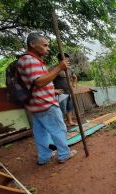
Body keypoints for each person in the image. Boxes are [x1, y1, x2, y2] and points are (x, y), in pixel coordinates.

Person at [17, 32, 77, 165]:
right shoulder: (29, 60)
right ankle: (64, 154)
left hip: (36, 103)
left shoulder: (31, 60)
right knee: (58, 128)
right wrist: (59, 68)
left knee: (41, 132)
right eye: (45, 45)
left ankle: (44, 156)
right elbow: (39, 82)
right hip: (45, 103)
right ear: (32, 44)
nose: (48, 48)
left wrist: (52, 89)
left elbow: (35, 83)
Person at [53, 53, 78, 127]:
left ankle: (70, 121)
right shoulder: (53, 69)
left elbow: (75, 77)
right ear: (59, 60)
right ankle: (61, 124)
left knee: (69, 107)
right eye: (65, 60)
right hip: (60, 93)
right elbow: (49, 80)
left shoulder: (69, 69)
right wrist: (54, 90)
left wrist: (73, 85)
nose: (67, 62)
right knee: (61, 109)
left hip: (69, 92)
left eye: (68, 60)